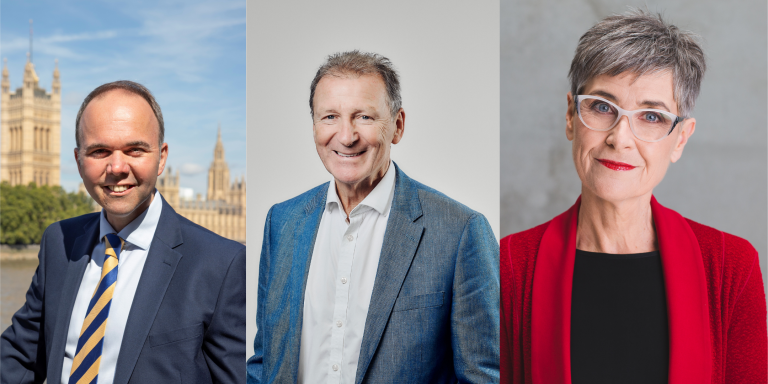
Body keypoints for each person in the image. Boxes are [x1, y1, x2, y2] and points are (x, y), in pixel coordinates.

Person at [500, 10, 767, 384]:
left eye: (651, 117)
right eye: (602, 106)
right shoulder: (507, 267)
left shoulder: (731, 270)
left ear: (681, 139)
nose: (620, 138)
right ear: (570, 117)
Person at [247, 51, 499, 383]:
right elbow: (265, 363)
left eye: (364, 117)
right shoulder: (281, 222)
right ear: (314, 126)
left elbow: (484, 377)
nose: (347, 136)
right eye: (330, 117)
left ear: (397, 125)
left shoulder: (460, 232)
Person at [1, 80, 246, 384]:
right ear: (78, 161)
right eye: (100, 151)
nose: (117, 167)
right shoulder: (58, 242)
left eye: (135, 149)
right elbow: (19, 357)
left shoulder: (222, 264)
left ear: (162, 158)